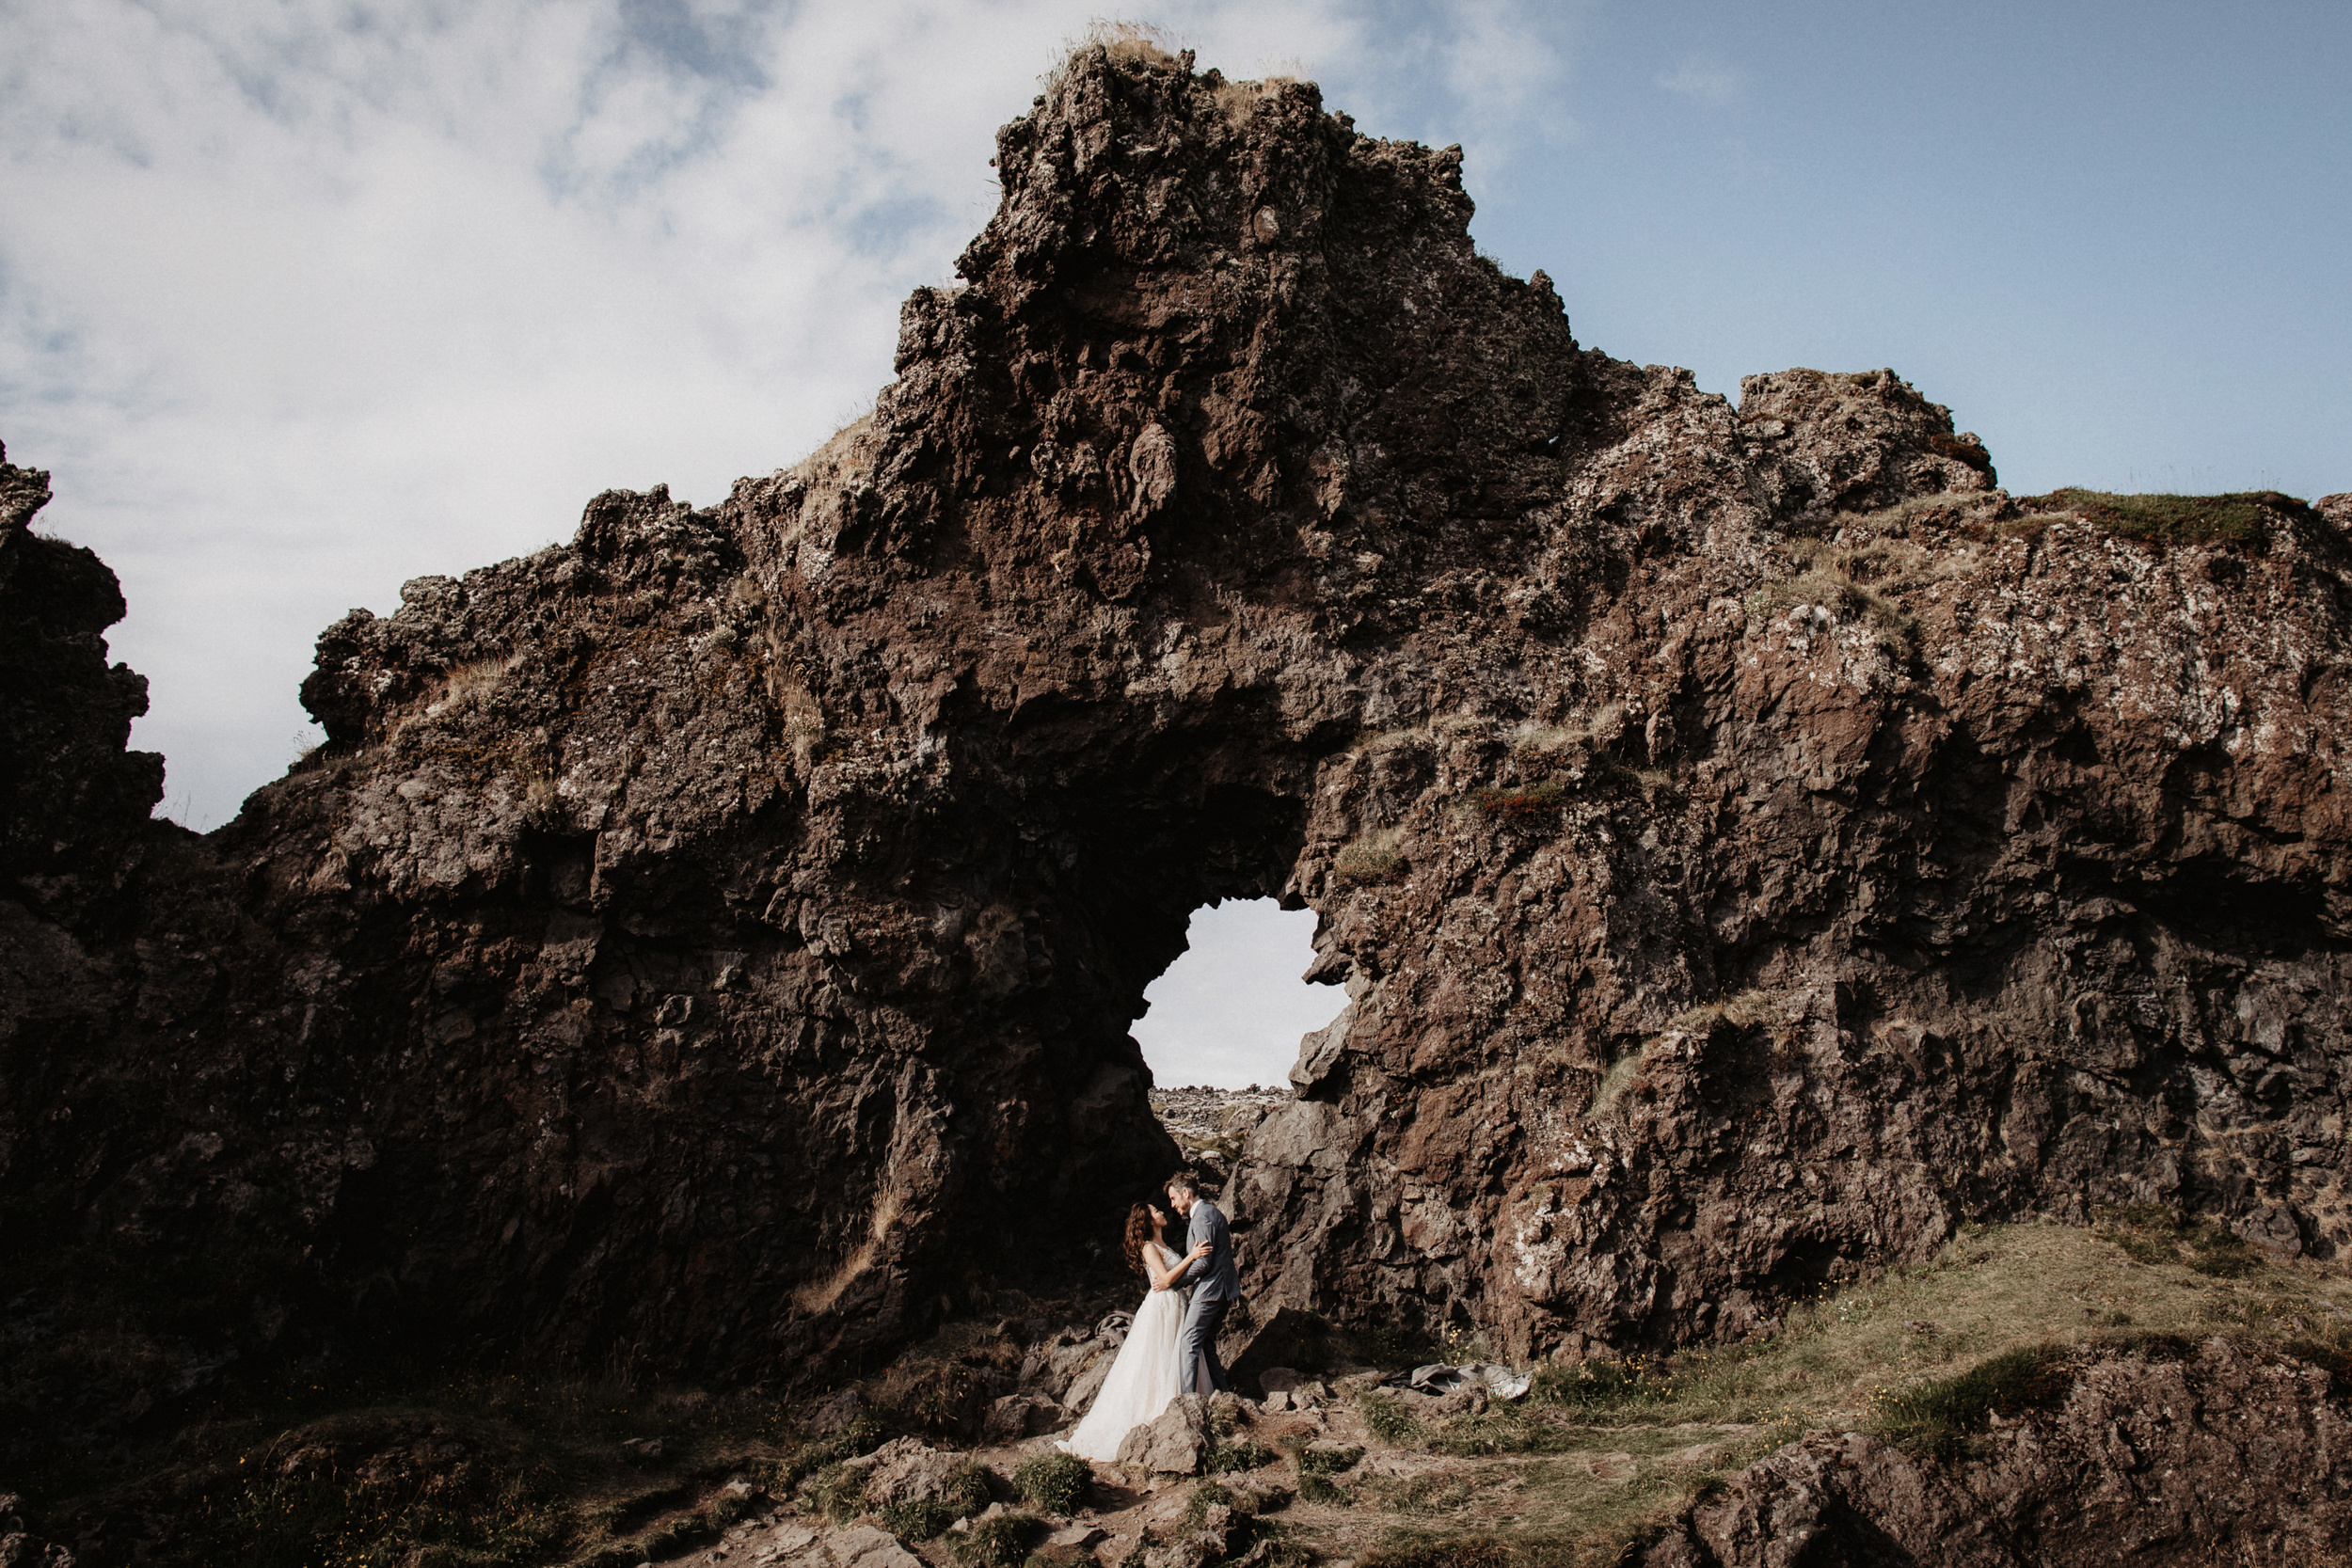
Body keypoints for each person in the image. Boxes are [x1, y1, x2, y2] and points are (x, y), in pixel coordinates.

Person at [1057, 1201, 1213, 1461]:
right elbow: (1164, 1279)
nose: (1162, 1212)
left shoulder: (1162, 1245)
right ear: (1148, 1221)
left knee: (1179, 1353)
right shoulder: (1149, 1247)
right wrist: (1192, 1257)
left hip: (1175, 1304)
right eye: (1156, 1211)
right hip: (1162, 1308)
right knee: (1162, 1357)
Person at [1165, 1169, 1238, 1397]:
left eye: (1174, 1199)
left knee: (1188, 1344)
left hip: (1210, 1290)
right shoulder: (1211, 1212)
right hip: (1222, 1289)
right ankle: (1223, 1394)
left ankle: (1188, 1402)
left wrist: (1175, 1283)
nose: (1173, 1205)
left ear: (1186, 1193)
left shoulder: (1203, 1217)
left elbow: (1203, 1263)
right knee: (1206, 1344)